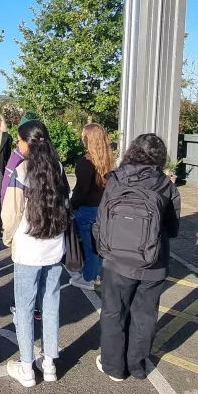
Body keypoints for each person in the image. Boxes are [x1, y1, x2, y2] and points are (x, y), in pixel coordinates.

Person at [92, 133, 181, 381]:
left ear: (132, 151)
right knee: (145, 316)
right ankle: (137, 365)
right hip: (154, 261)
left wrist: (102, 250)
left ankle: (113, 367)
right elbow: (173, 229)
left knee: (113, 313)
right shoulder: (166, 185)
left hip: (116, 260)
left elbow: (101, 220)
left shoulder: (116, 180)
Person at [2, 120, 69, 387]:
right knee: (51, 303)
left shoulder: (21, 171)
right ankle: (49, 363)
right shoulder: (59, 168)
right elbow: (66, 203)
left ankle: (27, 367)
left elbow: (11, 213)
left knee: (25, 306)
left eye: (19, 141)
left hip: (28, 249)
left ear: (26, 143)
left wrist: (8, 238)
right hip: (54, 247)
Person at [69, 123, 114, 291]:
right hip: (102, 209)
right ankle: (95, 275)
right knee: (98, 244)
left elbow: (82, 190)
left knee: (89, 246)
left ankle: (87, 278)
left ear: (89, 139)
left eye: (83, 136)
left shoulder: (85, 162)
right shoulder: (107, 160)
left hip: (86, 209)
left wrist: (72, 205)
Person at [0, 111, 40, 203]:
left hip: (25, 212)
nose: (18, 143)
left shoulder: (17, 159)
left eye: (19, 140)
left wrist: (3, 204)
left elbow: (5, 189)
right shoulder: (53, 160)